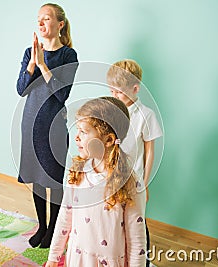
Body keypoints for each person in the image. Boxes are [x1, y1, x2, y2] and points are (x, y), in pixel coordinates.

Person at [46, 97, 146, 267]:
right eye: (77, 130)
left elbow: (137, 241)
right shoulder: (77, 171)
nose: (76, 137)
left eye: (83, 132)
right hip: (78, 258)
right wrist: (53, 257)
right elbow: (65, 217)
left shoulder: (129, 183)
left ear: (108, 140)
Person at [16, 3, 78, 248]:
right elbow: (22, 90)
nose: (41, 23)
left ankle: (54, 229)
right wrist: (32, 63)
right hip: (30, 123)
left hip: (53, 126)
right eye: (38, 19)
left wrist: (43, 64)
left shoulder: (67, 56)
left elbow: (61, 95)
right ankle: (42, 226)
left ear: (60, 24)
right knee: (37, 178)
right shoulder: (28, 53)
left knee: (54, 178)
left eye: (47, 18)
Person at [107, 59, 163, 266]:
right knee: (114, 221)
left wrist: (145, 183)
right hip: (112, 177)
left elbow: (149, 151)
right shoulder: (112, 110)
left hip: (134, 180)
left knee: (137, 223)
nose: (114, 96)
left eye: (119, 92)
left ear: (135, 89)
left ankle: (143, 261)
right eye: (111, 91)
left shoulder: (145, 115)